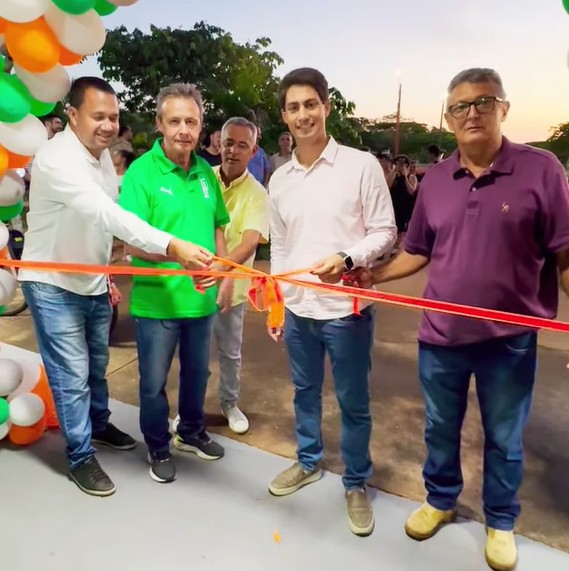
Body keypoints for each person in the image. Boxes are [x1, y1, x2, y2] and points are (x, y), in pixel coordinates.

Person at [344, 68, 569, 571]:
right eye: (459, 107)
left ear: (503, 108)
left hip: (508, 341)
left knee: (504, 437)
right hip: (441, 336)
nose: (472, 113)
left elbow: (564, 255)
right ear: (448, 118)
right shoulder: (437, 180)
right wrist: (373, 275)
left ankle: (501, 521)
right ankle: (441, 499)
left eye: (483, 102)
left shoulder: (542, 169)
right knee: (440, 427)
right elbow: (417, 251)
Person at [19, 77, 213, 498]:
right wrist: (172, 244)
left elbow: (108, 212)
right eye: (98, 116)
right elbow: (107, 214)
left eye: (113, 117)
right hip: (52, 284)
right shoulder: (57, 159)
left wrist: (106, 275)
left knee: (96, 365)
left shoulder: (101, 155)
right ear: (72, 115)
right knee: (72, 373)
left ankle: (98, 423)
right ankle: (79, 456)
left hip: (92, 279)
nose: (108, 125)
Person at [268, 67, 397, 537]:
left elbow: (385, 231)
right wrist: (279, 301)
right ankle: (308, 461)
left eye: (310, 104)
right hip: (298, 309)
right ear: (285, 116)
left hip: (347, 312)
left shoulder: (360, 166)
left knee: (352, 401)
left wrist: (347, 258)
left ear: (326, 107)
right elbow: (280, 246)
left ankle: (356, 481)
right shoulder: (280, 180)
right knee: (304, 392)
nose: (303, 115)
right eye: (293, 107)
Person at [119, 83, 232, 484]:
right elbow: (132, 243)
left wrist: (222, 274)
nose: (184, 130)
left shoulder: (205, 173)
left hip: (200, 300)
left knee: (197, 374)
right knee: (153, 384)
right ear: (159, 124)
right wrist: (176, 255)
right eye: (175, 121)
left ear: (201, 126)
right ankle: (158, 445)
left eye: (192, 122)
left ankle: (191, 431)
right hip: (157, 303)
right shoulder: (141, 173)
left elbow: (218, 227)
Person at [211, 117, 269, 433]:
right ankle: (190, 410)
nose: (233, 151)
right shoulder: (201, 179)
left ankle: (229, 403)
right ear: (219, 144)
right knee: (193, 353)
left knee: (230, 352)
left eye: (242, 145)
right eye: (229, 143)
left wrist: (222, 272)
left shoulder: (257, 193)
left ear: (253, 151)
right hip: (194, 285)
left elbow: (249, 243)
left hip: (232, 289)